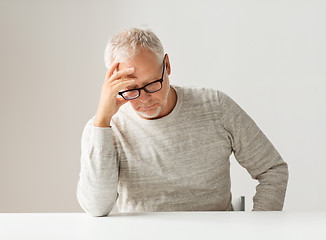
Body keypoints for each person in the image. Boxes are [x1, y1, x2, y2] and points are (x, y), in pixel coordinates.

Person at [76, 27, 289, 217]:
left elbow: (272, 169)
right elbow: (97, 207)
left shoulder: (216, 106)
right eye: (131, 89)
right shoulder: (104, 129)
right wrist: (102, 121)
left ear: (167, 65)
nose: (144, 99)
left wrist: (260, 226)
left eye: (152, 84)